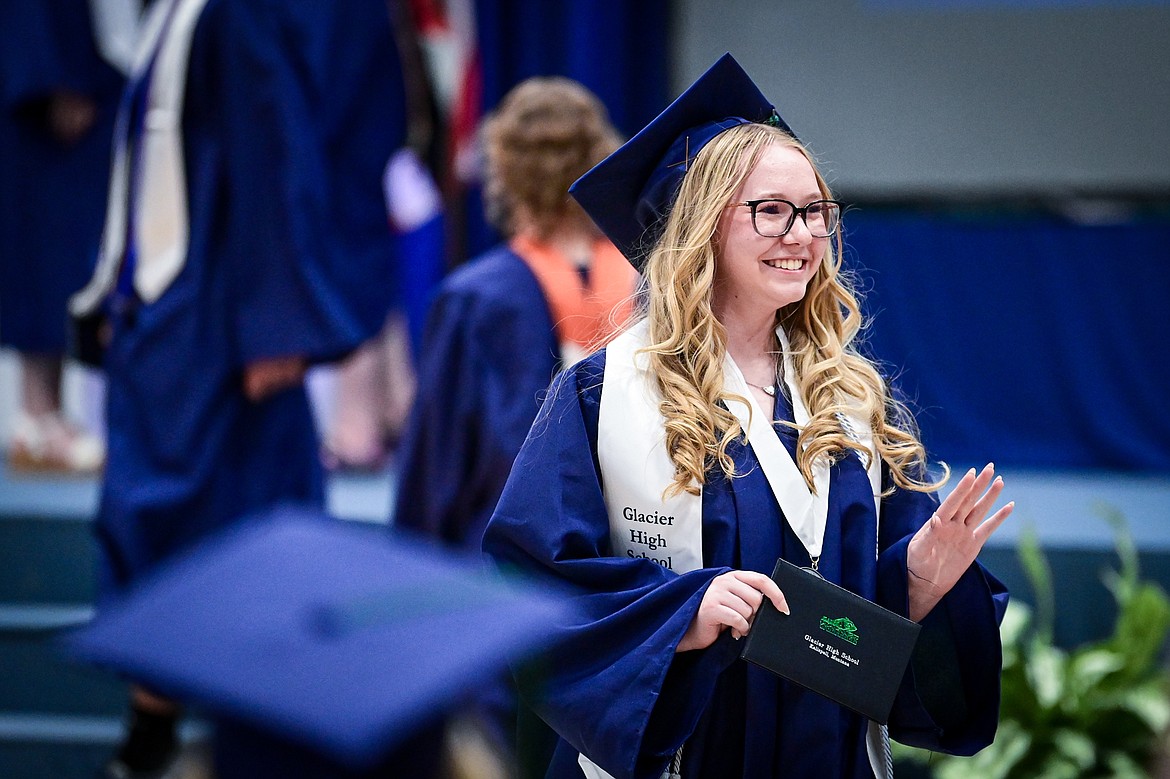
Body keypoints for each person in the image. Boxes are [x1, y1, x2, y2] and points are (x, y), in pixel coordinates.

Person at [481, 53, 1015, 779]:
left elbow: (865, 631)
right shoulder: (603, 395)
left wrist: (918, 577)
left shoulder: (850, 399)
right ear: (702, 225)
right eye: (771, 210)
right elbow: (529, 583)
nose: (801, 234)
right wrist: (679, 618)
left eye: (815, 211)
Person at [67, 1, 408, 776]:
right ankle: (153, 730)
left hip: (223, 324)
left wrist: (277, 324)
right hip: (170, 315)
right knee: (149, 528)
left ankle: (246, 742)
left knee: (246, 539)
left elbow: (274, 155)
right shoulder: (179, 10)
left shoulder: (240, 10)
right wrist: (117, 290)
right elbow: (147, 158)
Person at [392, 76, 639, 771]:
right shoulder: (652, 289)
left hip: (509, 585)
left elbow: (438, 468)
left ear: (505, 170)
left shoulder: (478, 299)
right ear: (600, 156)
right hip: (632, 577)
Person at [0, 0, 124, 473]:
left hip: (92, 64)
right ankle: (36, 414)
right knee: (44, 242)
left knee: (67, 247)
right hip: (54, 83)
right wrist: (56, 71)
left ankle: (45, 411)